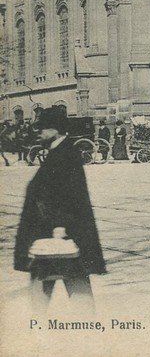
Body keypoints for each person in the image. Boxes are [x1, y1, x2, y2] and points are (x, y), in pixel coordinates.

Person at [14, 106, 106, 312]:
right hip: (53, 232)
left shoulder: (65, 154)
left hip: (58, 233)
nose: (39, 133)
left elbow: (69, 193)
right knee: (69, 283)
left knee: (66, 283)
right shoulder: (60, 151)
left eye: (42, 129)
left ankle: (39, 328)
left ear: (55, 130)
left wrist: (60, 226)